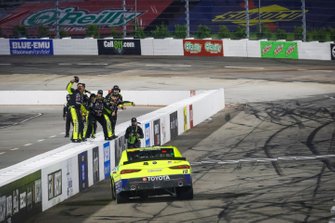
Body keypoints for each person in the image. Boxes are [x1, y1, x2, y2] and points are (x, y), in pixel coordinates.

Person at [66, 76, 86, 143]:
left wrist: (84, 112)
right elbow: (67, 88)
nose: (79, 87)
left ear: (83, 88)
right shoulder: (74, 91)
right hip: (73, 109)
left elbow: (81, 105)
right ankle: (75, 138)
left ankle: (79, 137)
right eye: (78, 86)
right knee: (76, 123)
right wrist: (72, 81)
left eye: (81, 86)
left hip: (78, 110)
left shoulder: (82, 95)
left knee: (81, 124)